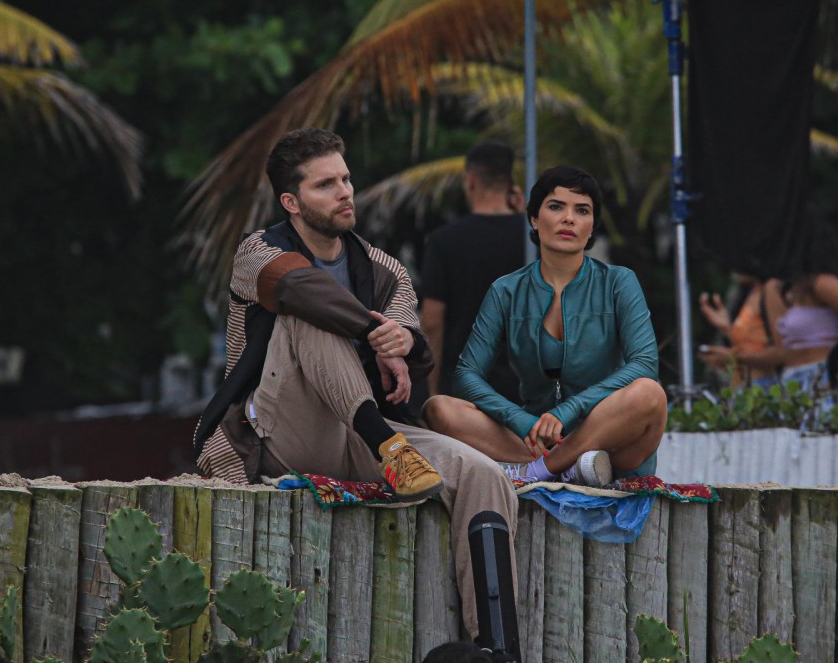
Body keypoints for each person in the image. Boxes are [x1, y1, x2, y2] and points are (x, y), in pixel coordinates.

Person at [191, 128, 518, 641]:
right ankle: (389, 447)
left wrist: (405, 344)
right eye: (326, 185)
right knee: (305, 310)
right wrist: (376, 333)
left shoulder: (384, 268)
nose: (345, 191)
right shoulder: (258, 252)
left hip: (357, 434)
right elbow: (303, 290)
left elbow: (416, 339)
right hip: (280, 430)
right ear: (291, 202)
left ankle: (497, 645)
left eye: (345, 178)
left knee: (484, 476)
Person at [424, 165, 668, 486]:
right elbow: (467, 375)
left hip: (611, 440)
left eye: (582, 210)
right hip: (535, 438)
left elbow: (645, 363)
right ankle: (569, 467)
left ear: (592, 225)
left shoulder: (619, 282)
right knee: (438, 408)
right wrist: (522, 421)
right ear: (535, 219)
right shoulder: (506, 290)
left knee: (649, 393)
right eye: (556, 206)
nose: (569, 218)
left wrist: (567, 411)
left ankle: (543, 470)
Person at [699, 219, 838, 396]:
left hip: (824, 379)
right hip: (792, 383)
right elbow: (782, 352)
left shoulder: (820, 283)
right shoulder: (779, 288)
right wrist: (729, 335)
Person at [421, 141, 526, 399]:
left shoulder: (443, 240)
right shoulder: (537, 240)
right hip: (525, 387)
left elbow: (432, 320)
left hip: (464, 388)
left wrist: (433, 391)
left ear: (470, 181)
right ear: (509, 183)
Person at [698, 272, 781, 386]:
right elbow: (752, 343)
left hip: (763, 388)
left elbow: (781, 352)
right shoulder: (752, 292)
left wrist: (733, 358)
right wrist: (726, 328)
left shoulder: (771, 290)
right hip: (743, 385)